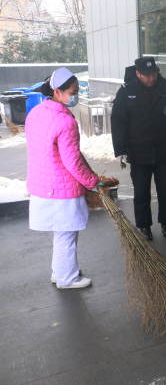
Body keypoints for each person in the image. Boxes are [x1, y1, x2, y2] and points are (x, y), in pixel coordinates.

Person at [26, 67, 100, 289]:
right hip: (61, 187)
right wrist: (93, 182)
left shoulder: (36, 113)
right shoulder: (65, 121)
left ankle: (59, 273)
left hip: (43, 183)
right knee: (66, 234)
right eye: (74, 91)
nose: (76, 95)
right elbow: (73, 162)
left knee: (61, 233)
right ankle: (67, 279)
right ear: (58, 92)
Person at [111, 57, 166, 240]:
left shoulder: (165, 88)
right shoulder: (126, 91)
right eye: (147, 75)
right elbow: (118, 121)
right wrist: (120, 150)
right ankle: (144, 226)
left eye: (154, 73)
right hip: (139, 151)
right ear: (138, 73)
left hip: (163, 149)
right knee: (141, 192)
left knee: (165, 190)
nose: (151, 78)